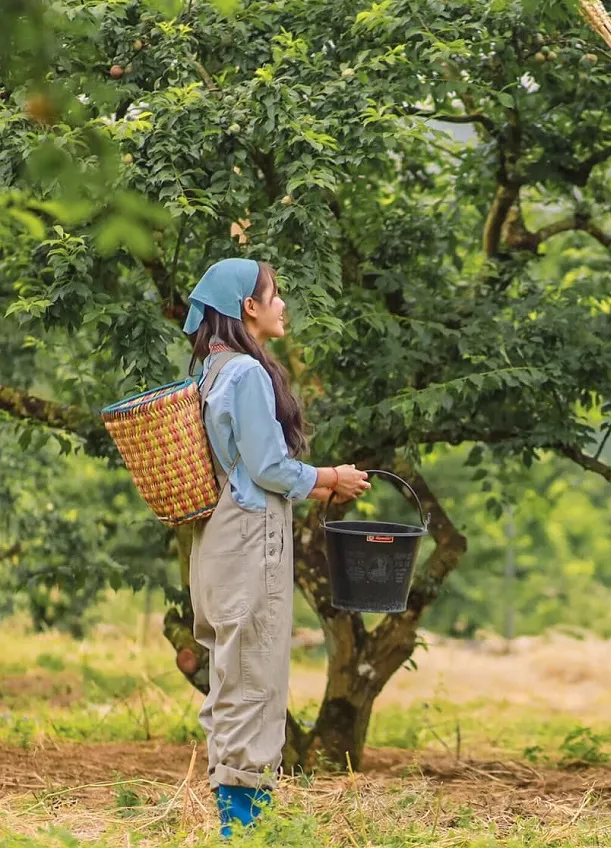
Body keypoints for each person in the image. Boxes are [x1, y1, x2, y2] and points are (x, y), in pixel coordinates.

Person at [183, 257, 371, 837]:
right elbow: (267, 467)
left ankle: (234, 818)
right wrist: (328, 477)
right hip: (248, 536)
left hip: (213, 540)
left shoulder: (208, 373)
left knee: (229, 674)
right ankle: (244, 828)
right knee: (256, 675)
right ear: (249, 307)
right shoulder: (245, 373)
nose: (282, 304)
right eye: (275, 293)